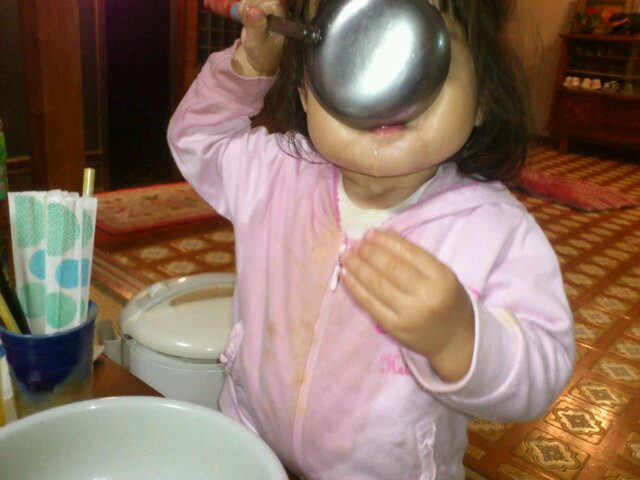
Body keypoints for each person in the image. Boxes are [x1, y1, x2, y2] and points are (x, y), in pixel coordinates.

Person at [168, 0, 575, 478]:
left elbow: (543, 370)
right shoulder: (276, 173)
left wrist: (461, 338)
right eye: (353, 49)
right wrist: (249, 67)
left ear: (483, 93)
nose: (384, 85)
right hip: (253, 448)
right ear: (306, 92)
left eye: (416, 53)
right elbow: (198, 138)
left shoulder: (493, 230)